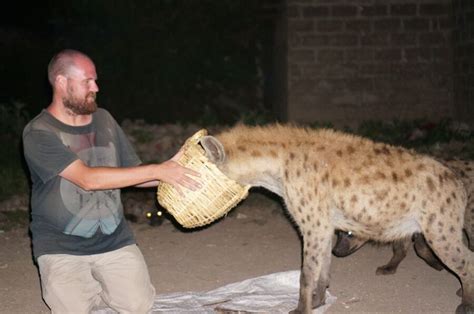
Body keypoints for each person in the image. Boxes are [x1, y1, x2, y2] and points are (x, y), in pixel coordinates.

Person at [22, 49, 201, 314]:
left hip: (114, 241)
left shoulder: (104, 120)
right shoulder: (39, 132)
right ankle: (86, 291)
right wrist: (159, 170)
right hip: (61, 247)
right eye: (87, 81)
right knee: (73, 309)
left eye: (95, 80)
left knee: (138, 306)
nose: (96, 87)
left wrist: (174, 170)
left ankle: (98, 288)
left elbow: (134, 172)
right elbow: (87, 179)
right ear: (61, 82)